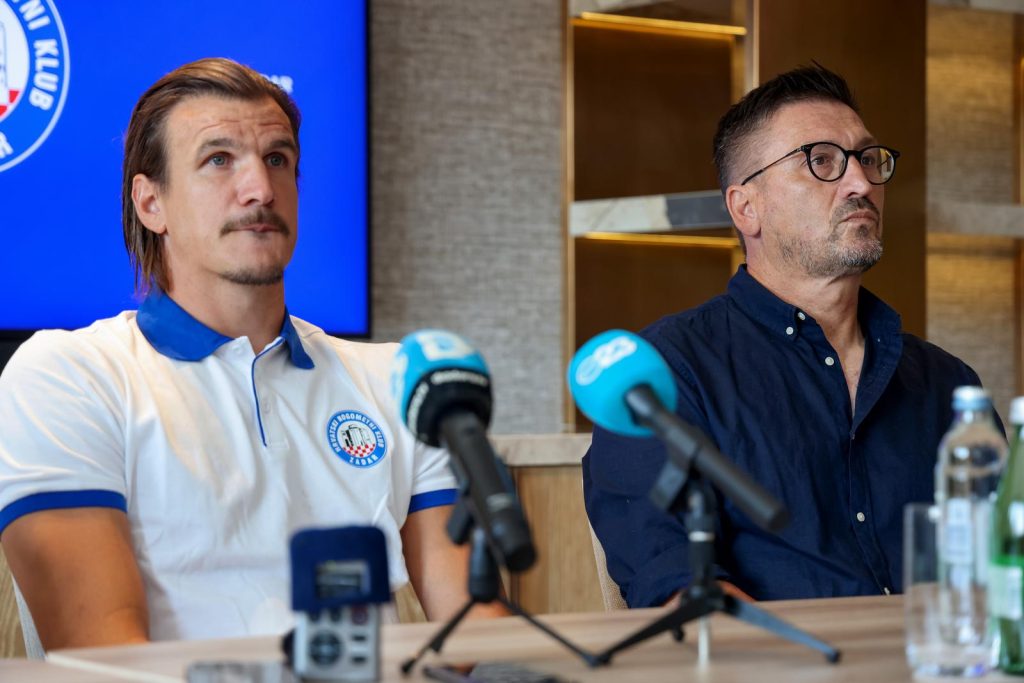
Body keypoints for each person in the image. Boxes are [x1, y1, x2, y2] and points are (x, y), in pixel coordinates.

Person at [0, 57, 497, 653]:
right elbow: (105, 658)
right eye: (219, 160)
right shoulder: (68, 377)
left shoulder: (397, 379)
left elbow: (478, 637)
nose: (260, 189)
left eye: (278, 159)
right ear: (150, 203)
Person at [583, 64, 983, 607]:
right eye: (821, 161)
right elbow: (677, 588)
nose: (861, 183)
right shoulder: (664, 375)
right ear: (746, 207)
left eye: (868, 158)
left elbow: (1004, 556)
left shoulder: (948, 382)